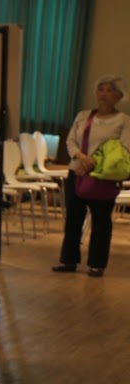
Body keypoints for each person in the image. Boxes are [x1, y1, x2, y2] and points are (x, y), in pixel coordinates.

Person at [55, 75, 129, 277]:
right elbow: (71, 141)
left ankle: (97, 264)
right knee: (73, 218)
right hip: (76, 172)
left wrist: (91, 163)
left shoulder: (124, 121)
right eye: (101, 89)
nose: (104, 94)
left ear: (119, 96)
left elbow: (123, 149)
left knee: (101, 221)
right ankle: (68, 260)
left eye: (109, 90)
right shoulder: (83, 115)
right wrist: (81, 158)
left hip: (103, 176)